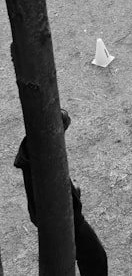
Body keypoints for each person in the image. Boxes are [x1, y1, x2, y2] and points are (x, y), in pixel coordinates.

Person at [14, 109, 109, 276]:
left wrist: (72, 192)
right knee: (94, 258)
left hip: (63, 215)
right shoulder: (40, 155)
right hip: (62, 219)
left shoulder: (40, 148)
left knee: (91, 258)